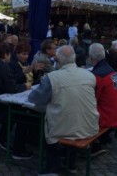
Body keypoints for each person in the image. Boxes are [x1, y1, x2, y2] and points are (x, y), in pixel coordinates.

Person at [28, 45, 99, 175]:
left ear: (58, 60)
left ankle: (51, 167)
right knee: (70, 115)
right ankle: (69, 162)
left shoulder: (53, 77)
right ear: (74, 58)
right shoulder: (89, 75)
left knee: (52, 121)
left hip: (65, 128)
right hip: (90, 125)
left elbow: (35, 98)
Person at [89, 43, 117, 152]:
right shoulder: (112, 71)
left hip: (106, 118)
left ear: (91, 57)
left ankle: (87, 147)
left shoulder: (98, 76)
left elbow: (92, 100)